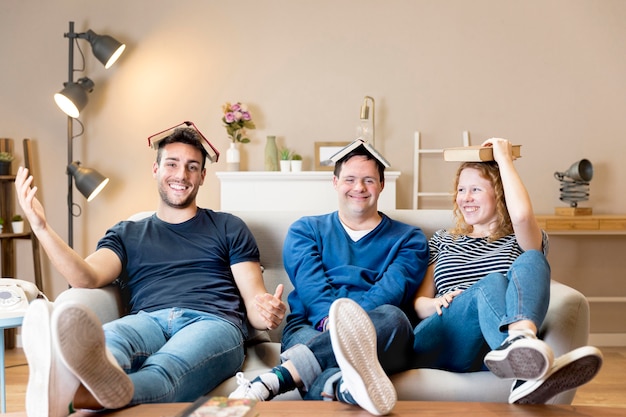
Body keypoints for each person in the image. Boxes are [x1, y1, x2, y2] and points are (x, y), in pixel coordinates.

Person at [15, 123, 286, 417]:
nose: (181, 175)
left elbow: (255, 305)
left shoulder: (229, 227)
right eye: (172, 164)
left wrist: (268, 312)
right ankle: (66, 372)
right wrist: (41, 228)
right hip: (147, 321)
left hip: (213, 323)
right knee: (109, 343)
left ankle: (73, 397)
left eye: (192, 167)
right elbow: (85, 277)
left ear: (203, 176)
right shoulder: (126, 233)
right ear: (155, 169)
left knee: (166, 370)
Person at [229, 144, 429, 415]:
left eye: (368, 180)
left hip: (382, 332)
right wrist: (332, 324)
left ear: (382, 185)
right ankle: (343, 387)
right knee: (322, 351)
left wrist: (347, 327)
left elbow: (390, 291)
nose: (358, 187)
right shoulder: (305, 230)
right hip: (310, 327)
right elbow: (312, 288)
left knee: (394, 317)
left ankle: (274, 380)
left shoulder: (409, 239)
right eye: (349, 179)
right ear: (335, 183)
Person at [411, 137, 603, 404]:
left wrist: (504, 160)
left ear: (499, 194)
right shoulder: (444, 239)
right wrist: (436, 303)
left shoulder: (517, 240)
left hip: (487, 350)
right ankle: (525, 359)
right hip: (445, 336)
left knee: (533, 258)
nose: (465, 198)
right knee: (491, 283)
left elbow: (522, 217)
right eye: (461, 189)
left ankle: (521, 351)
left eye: (476, 190)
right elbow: (418, 304)